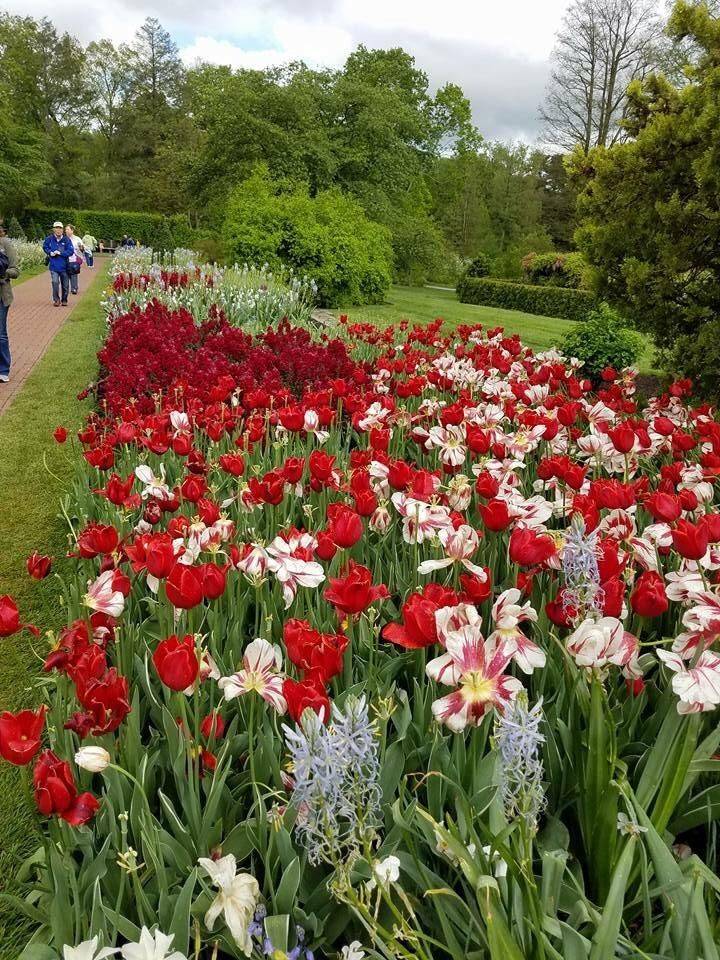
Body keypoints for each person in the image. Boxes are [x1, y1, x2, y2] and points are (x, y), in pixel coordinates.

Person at [0, 220, 20, 384]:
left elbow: (15, 270)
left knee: (0, 333)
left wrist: (3, 272)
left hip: (1, 295)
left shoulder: (5, 243)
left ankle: (3, 369)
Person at [43, 221, 74, 306]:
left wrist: (61, 253)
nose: (58, 230)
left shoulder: (66, 240)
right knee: (55, 282)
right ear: (53, 229)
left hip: (64, 266)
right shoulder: (49, 239)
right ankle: (56, 300)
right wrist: (50, 252)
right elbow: (45, 247)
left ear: (62, 230)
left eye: (60, 228)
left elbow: (71, 251)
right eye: (56, 228)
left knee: (65, 285)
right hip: (54, 266)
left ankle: (64, 300)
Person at [65, 224, 84, 295]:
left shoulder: (77, 239)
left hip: (75, 259)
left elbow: (82, 249)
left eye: (68, 229)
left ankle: (74, 288)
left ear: (72, 230)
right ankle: (66, 287)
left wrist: (81, 247)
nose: (66, 231)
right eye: (66, 229)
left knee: (73, 273)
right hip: (66, 259)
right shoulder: (64, 238)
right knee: (66, 273)